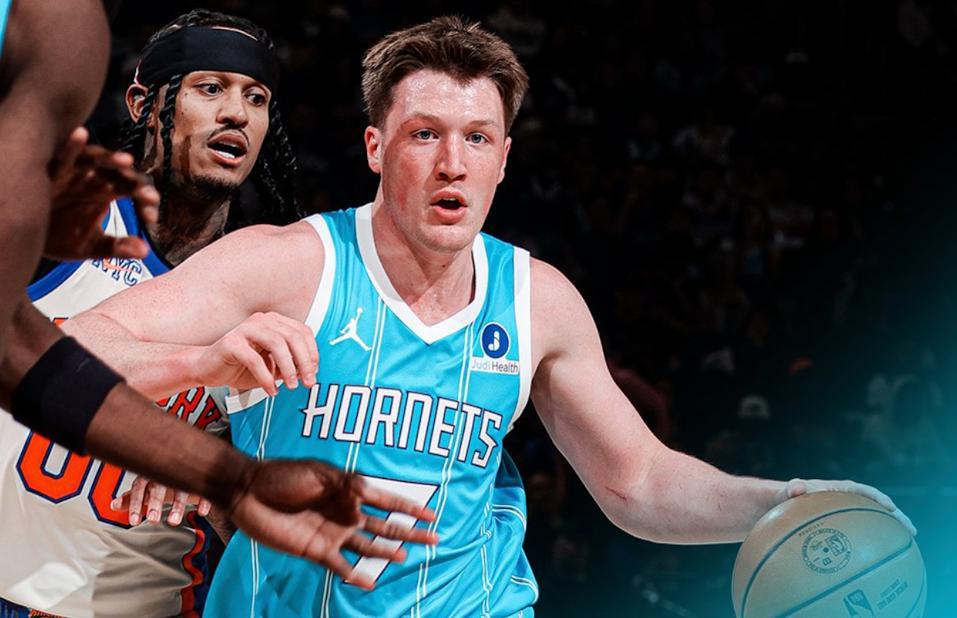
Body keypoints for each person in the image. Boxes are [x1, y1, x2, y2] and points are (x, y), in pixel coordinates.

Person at [66, 16, 914, 617]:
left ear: (504, 159)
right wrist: (203, 362)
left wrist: (790, 498)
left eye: (476, 138)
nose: (452, 163)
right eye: (423, 134)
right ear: (375, 148)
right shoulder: (289, 264)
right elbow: (70, 348)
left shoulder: (538, 299)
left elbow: (639, 483)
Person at [0, 1, 436, 611]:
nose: (237, 112)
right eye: (211, 88)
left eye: (257, 98)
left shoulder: (275, 290)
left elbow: (257, 524)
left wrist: (208, 481)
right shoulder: (70, 215)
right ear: (142, 104)